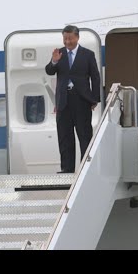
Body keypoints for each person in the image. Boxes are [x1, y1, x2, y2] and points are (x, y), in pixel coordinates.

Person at [45, 25, 101, 173]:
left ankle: (85, 168)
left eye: (70, 38)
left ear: (77, 37)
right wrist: (54, 62)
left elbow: (95, 77)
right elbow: (49, 71)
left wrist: (94, 99)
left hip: (81, 99)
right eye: (65, 39)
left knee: (84, 135)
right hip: (63, 101)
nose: (67, 41)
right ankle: (67, 169)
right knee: (64, 136)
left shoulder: (88, 54)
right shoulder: (59, 53)